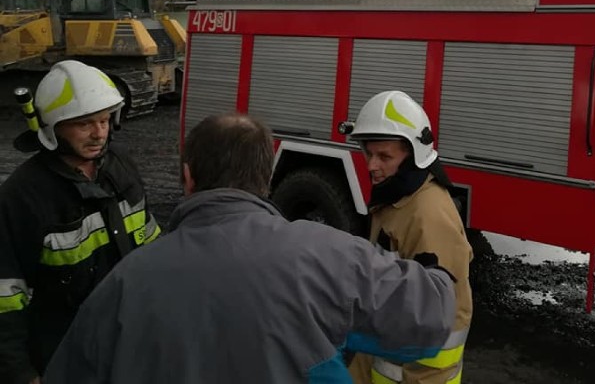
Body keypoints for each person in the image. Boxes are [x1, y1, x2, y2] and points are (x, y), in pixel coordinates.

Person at [44, 113, 458, 384]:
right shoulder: (329, 255)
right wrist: (434, 273)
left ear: (188, 178)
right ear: (265, 179)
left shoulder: (122, 286)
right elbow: (430, 321)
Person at [0, 60, 160, 384]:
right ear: (52, 127)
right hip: (61, 357)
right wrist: (20, 372)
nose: (99, 132)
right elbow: (6, 294)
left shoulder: (121, 168)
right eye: (84, 124)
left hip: (124, 344)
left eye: (104, 120)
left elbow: (150, 240)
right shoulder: (22, 196)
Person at [347, 90, 473, 384]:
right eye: (368, 152)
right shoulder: (399, 198)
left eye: (384, 156)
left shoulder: (428, 217)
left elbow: (437, 318)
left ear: (413, 156)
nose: (371, 165)